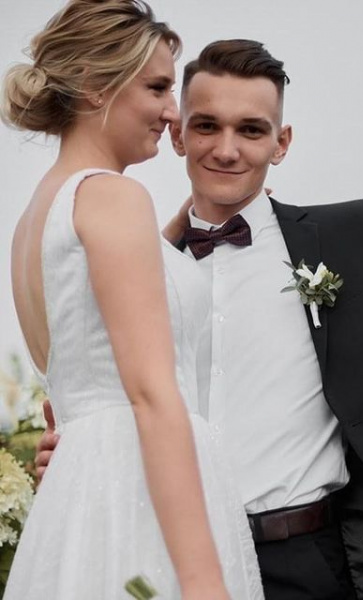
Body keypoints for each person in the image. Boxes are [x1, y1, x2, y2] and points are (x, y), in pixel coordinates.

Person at [37, 20, 363, 600]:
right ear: (178, 135)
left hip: (311, 564)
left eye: (251, 130)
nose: (226, 149)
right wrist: (73, 451)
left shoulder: (352, 238)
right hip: (168, 560)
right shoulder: (142, 269)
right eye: (207, 126)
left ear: (282, 142)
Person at [1, 1, 263, 599]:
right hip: (140, 493)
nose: (173, 112)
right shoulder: (113, 197)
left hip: (82, 498)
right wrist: (203, 582)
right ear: (95, 85)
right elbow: (150, 394)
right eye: (158, 88)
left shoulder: (34, 219)